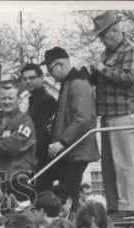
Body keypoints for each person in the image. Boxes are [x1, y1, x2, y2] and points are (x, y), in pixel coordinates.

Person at [89, 11, 134, 218]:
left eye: (103, 36)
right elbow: (107, 77)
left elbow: (130, 77)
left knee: (124, 163)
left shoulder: (130, 50)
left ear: (114, 31)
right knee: (109, 164)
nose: (102, 40)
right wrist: (94, 73)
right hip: (107, 114)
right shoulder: (107, 53)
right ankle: (113, 205)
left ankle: (127, 206)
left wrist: (103, 70)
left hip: (124, 113)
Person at [44, 46, 99, 211]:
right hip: (70, 153)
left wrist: (62, 141)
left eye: (50, 70)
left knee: (70, 199)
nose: (51, 76)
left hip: (76, 152)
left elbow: (84, 118)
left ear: (59, 65)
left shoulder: (78, 83)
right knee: (65, 196)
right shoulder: (69, 83)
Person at [0, 82, 37, 195]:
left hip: (18, 180)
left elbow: (13, 146)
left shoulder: (25, 121)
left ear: (18, 99)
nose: (7, 102)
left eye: (10, 98)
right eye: (3, 98)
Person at [22, 62, 57, 191]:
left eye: (31, 78)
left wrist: (33, 157)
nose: (27, 82)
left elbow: (41, 134)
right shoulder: (33, 101)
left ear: (41, 78)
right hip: (34, 159)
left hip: (41, 159)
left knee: (41, 197)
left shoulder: (46, 100)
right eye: (24, 79)